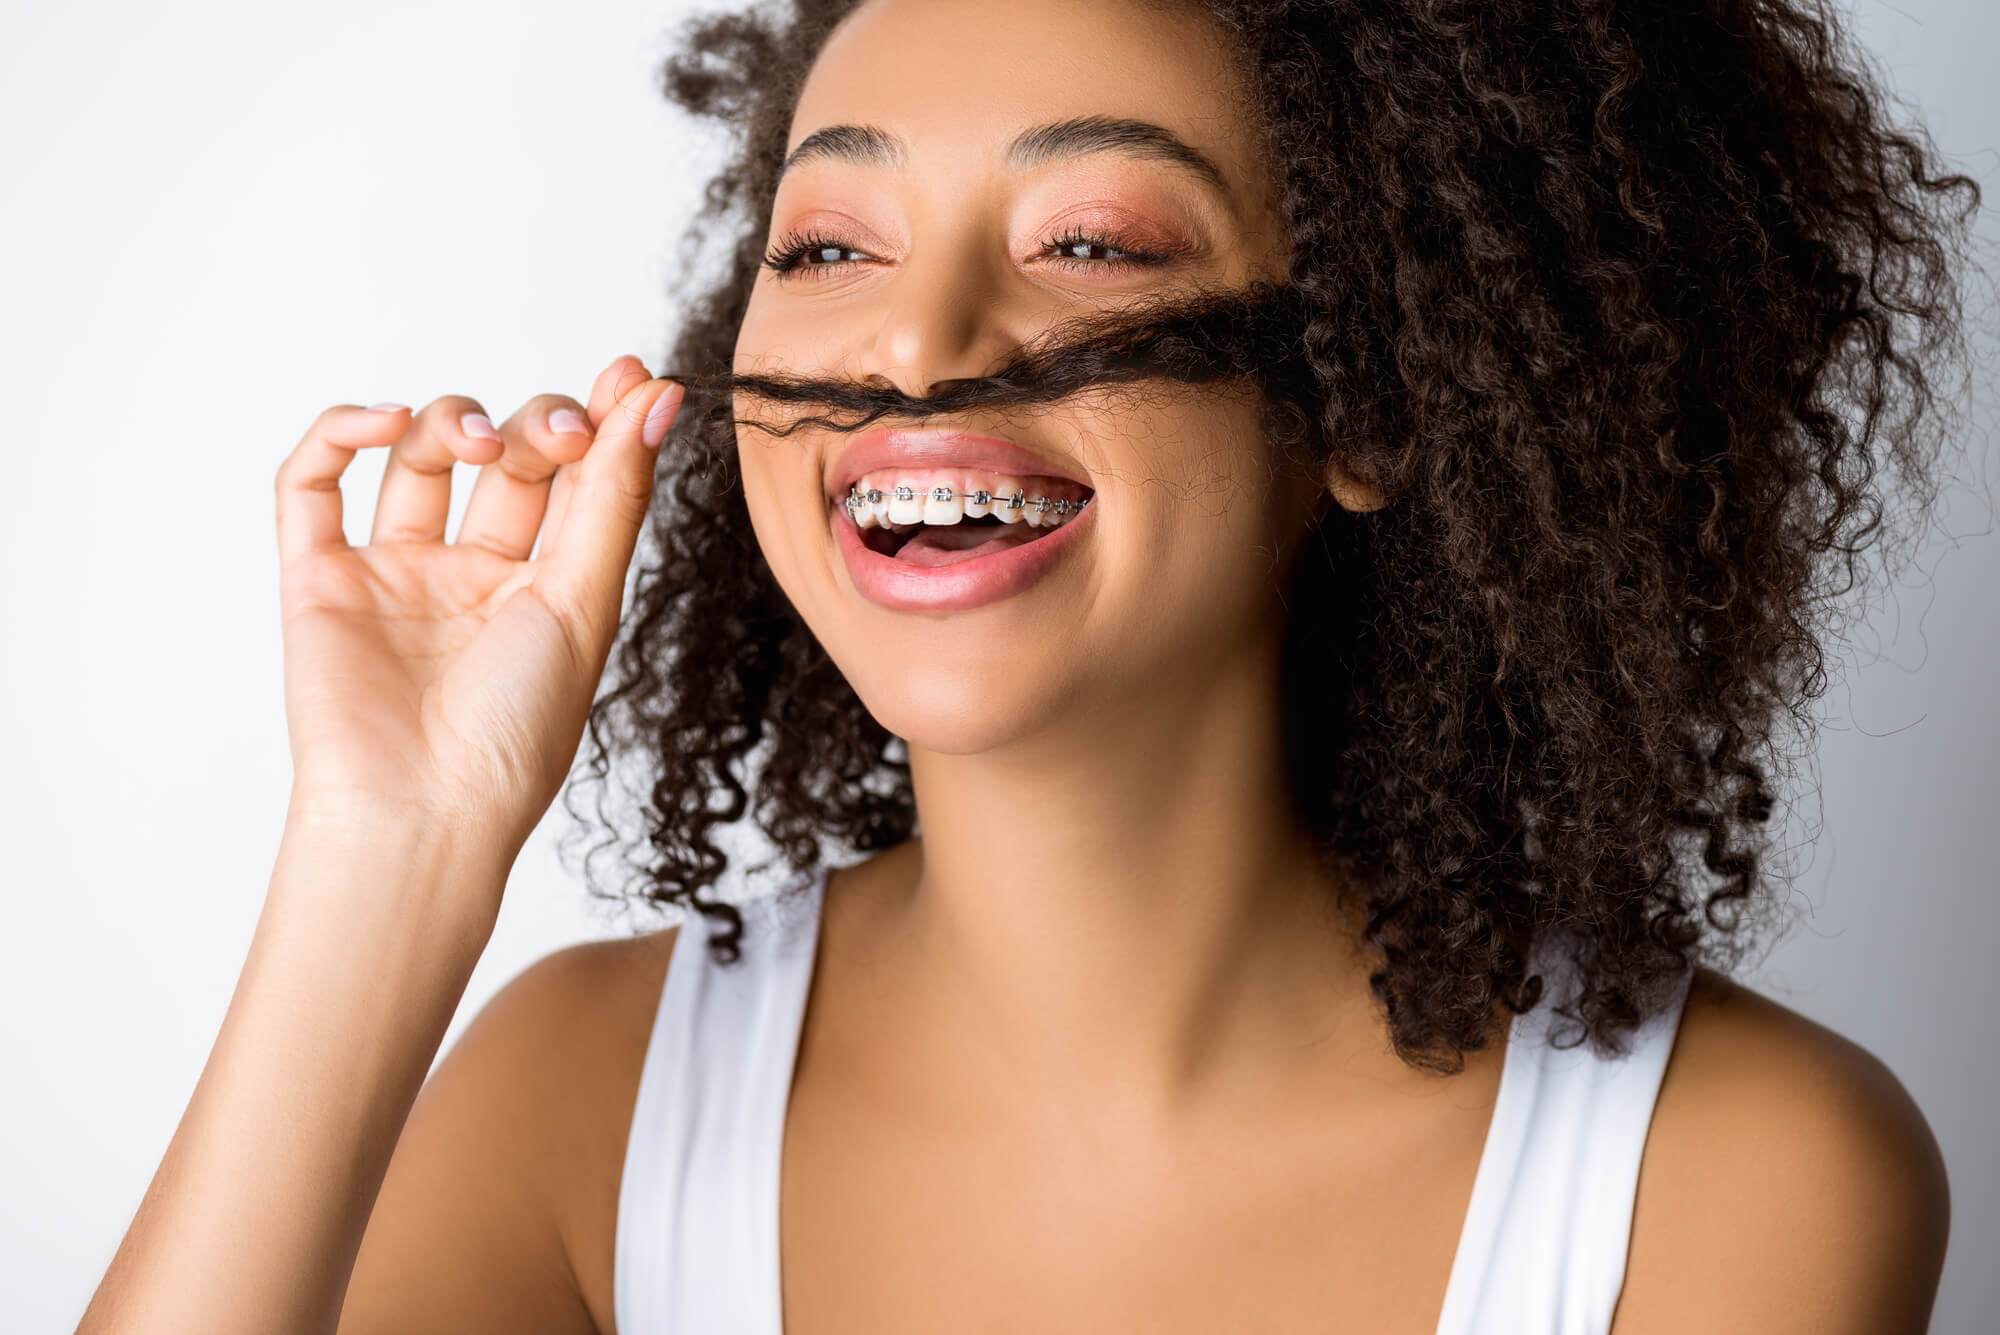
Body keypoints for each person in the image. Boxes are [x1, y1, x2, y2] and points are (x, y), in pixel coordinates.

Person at [79, 0, 1977, 1331]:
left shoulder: (1741, 1177)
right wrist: (389, 848)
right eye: (828, 242)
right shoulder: (578, 1102)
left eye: (1089, 238)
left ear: (1379, 402)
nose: (917, 344)